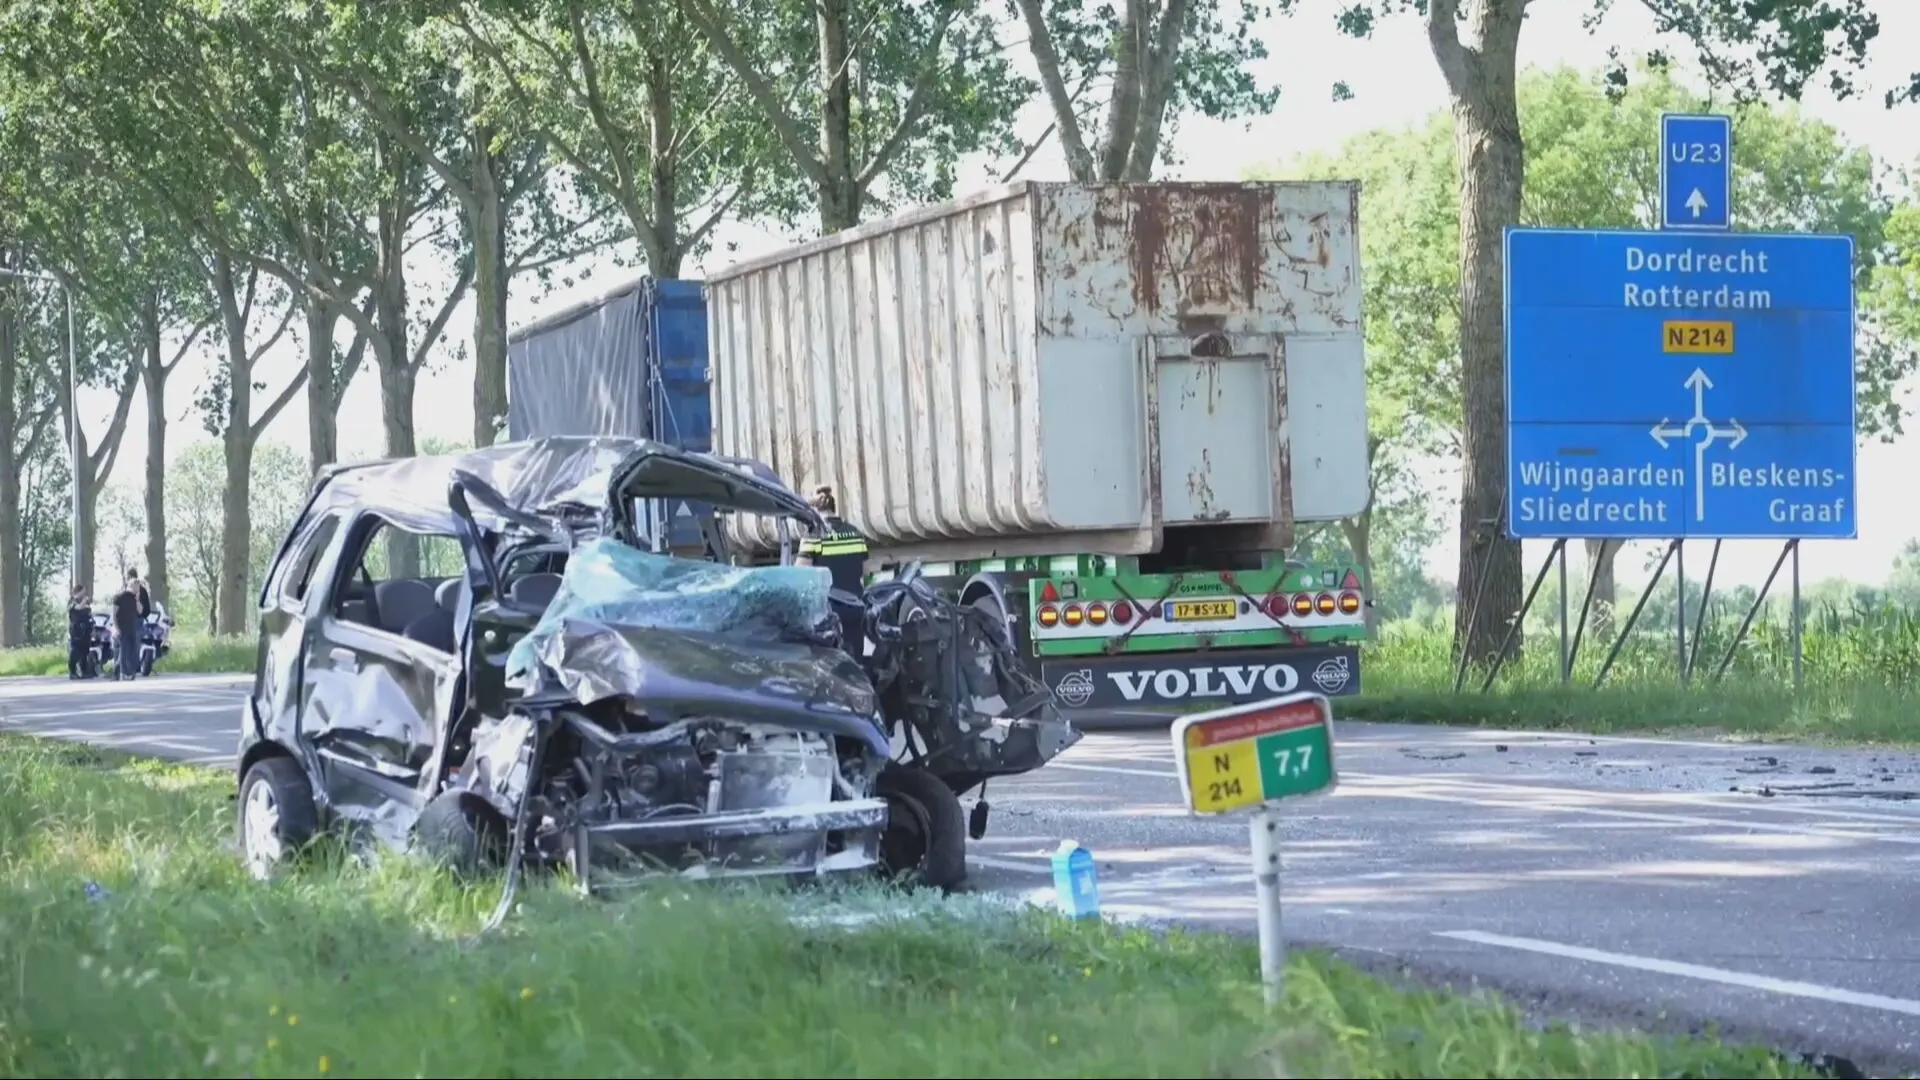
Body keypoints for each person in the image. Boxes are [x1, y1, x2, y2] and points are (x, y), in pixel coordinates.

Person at [795, 486, 870, 650]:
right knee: (856, 663)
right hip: (856, 610)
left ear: (814, 511)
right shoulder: (856, 533)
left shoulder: (814, 535)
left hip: (828, 615)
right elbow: (864, 572)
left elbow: (799, 577)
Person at [110, 569, 148, 680]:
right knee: (124, 650)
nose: (138, 589)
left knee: (132, 651)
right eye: (137, 587)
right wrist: (116, 628)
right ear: (132, 585)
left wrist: (137, 600)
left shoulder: (134, 599)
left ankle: (129, 672)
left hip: (132, 627)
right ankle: (123, 672)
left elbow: (140, 611)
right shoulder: (119, 597)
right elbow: (114, 613)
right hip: (122, 627)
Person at [66, 586, 92, 679]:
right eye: (82, 592)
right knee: (75, 650)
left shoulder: (85, 602)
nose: (84, 594)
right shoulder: (72, 602)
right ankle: (72, 671)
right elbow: (77, 608)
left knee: (85, 650)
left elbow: (88, 611)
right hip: (76, 630)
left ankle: (84, 670)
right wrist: (84, 601)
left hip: (86, 629)